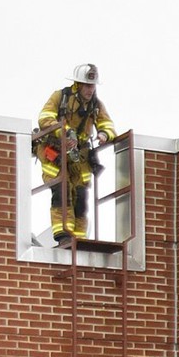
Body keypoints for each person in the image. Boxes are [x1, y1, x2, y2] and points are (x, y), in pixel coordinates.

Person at [34, 63, 118, 244]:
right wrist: (63, 132)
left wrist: (104, 134)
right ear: (77, 84)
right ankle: (63, 235)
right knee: (62, 191)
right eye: (87, 85)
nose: (91, 89)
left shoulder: (96, 104)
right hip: (54, 154)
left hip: (80, 157)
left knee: (81, 198)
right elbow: (44, 118)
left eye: (93, 85)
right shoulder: (60, 97)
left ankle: (79, 239)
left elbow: (108, 125)